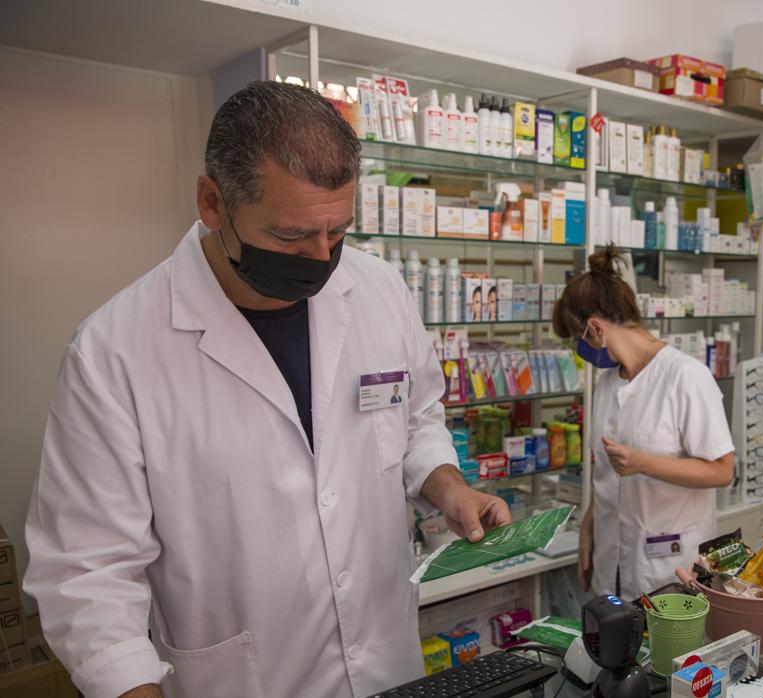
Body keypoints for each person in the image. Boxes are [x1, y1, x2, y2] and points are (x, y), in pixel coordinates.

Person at [23, 81, 510, 698]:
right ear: (212, 202)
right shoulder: (113, 351)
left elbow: (416, 418)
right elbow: (86, 574)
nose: (320, 258)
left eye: (337, 233)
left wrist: (448, 487)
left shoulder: (380, 289)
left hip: (388, 664)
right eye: (290, 238)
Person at [552, 246, 735, 601]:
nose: (581, 348)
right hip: (612, 559)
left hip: (670, 563)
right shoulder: (607, 383)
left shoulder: (685, 376)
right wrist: (589, 528)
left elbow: (722, 471)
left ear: (595, 329)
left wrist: (644, 464)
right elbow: (607, 474)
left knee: (668, 652)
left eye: (578, 339)